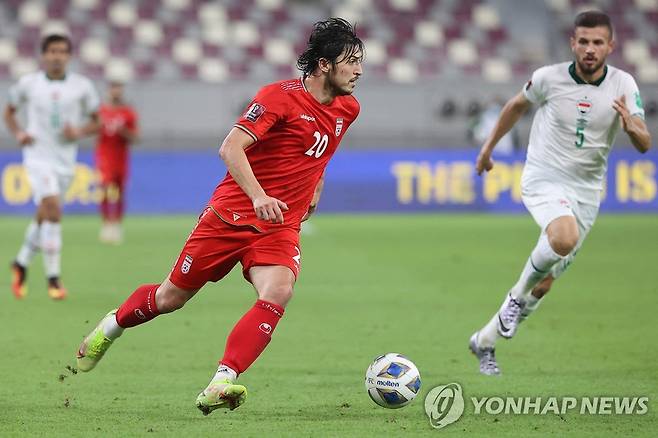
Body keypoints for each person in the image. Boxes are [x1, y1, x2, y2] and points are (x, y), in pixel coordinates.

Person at [75, 18, 363, 414]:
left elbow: (322, 153)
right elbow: (231, 148)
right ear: (325, 65)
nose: (359, 70)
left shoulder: (349, 108)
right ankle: (112, 326)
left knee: (278, 290)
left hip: (279, 226)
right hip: (230, 217)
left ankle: (222, 380)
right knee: (170, 297)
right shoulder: (278, 97)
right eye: (351, 61)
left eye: (359, 61)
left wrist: (315, 188)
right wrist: (259, 195)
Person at [469, 10, 651, 375]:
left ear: (610, 46)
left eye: (597, 42)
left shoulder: (623, 84)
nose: (589, 49)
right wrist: (488, 148)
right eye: (583, 41)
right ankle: (514, 300)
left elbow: (645, 142)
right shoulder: (548, 78)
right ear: (573, 43)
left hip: (587, 190)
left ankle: (484, 341)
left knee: (547, 280)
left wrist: (632, 127)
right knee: (563, 237)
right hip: (544, 177)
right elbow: (515, 106)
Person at [5, 34, 100, 300]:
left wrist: (79, 131)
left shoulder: (82, 86)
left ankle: (21, 262)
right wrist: (20, 134)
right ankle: (53, 278)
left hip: (65, 161)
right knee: (54, 210)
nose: (57, 56)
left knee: (45, 211)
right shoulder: (29, 84)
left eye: (62, 51)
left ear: (68, 56)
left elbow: (97, 121)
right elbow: (9, 111)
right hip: (37, 156)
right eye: (52, 51)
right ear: (43, 55)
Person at [95, 81, 139, 244]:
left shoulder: (128, 113)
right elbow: (93, 130)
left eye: (119, 88)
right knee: (105, 188)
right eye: (113, 87)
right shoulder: (101, 112)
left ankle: (117, 225)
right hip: (105, 156)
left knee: (120, 191)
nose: (116, 91)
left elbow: (136, 137)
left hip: (121, 157)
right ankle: (106, 223)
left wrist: (124, 131)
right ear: (109, 90)